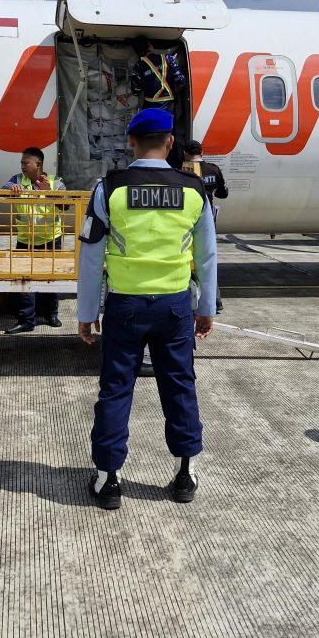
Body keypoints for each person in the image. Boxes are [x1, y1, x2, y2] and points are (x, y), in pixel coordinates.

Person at [77, 108, 217, 509]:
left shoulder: (110, 189)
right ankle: (185, 474)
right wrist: (205, 307)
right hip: (175, 307)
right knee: (179, 386)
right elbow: (206, 256)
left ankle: (107, 480)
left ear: (132, 142)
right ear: (170, 142)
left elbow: (91, 257)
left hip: (125, 307)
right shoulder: (194, 191)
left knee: (116, 390)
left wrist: (87, 313)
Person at [2, 147, 66, 334]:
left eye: (25, 162)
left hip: (50, 238)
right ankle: (26, 320)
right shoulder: (17, 180)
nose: (22, 166)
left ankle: (51, 314)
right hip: (26, 239)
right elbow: (2, 190)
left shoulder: (55, 182)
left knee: (51, 279)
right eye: (21, 162)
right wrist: (10, 189)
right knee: (25, 281)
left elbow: (66, 205)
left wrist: (50, 193)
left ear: (38, 164)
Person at [182, 139, 228, 314]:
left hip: (188, 219)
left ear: (186, 153)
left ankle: (189, 298)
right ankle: (215, 302)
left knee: (188, 259)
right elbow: (223, 193)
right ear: (201, 153)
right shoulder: (213, 169)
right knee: (208, 260)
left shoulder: (183, 171)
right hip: (208, 220)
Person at [129, 36, 185, 116]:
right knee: (167, 126)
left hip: (150, 104)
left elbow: (135, 90)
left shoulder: (138, 66)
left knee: (152, 127)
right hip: (168, 104)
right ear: (149, 47)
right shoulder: (168, 58)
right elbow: (181, 80)